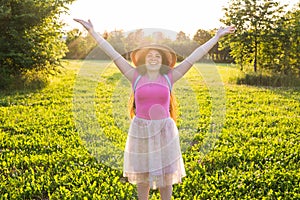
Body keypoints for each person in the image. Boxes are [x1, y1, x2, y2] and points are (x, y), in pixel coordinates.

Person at [74, 19, 235, 200]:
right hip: (141, 130)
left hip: (164, 131)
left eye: (157, 56)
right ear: (143, 59)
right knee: (143, 177)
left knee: (166, 177)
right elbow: (113, 54)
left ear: (163, 61)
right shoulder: (134, 76)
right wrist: (92, 32)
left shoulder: (169, 77)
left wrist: (216, 37)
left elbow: (194, 56)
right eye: (149, 55)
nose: (153, 58)